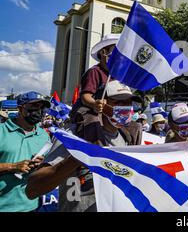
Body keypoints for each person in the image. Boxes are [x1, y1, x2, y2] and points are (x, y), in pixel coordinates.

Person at [25, 80, 143, 212]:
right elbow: (33, 189)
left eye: (128, 103)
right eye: (118, 102)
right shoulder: (75, 135)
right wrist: (79, 156)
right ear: (100, 104)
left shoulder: (129, 138)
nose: (125, 108)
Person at [0, 91, 51, 212]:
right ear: (20, 109)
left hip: (31, 206)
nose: (39, 111)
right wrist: (12, 166)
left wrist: (42, 165)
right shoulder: (2, 131)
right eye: (34, 106)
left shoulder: (44, 136)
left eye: (42, 107)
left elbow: (45, 170)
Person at [69, 34, 120, 124]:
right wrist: (95, 104)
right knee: (93, 120)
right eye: (116, 51)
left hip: (108, 113)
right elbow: (86, 96)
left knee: (134, 126)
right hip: (87, 111)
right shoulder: (94, 72)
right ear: (104, 52)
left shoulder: (116, 75)